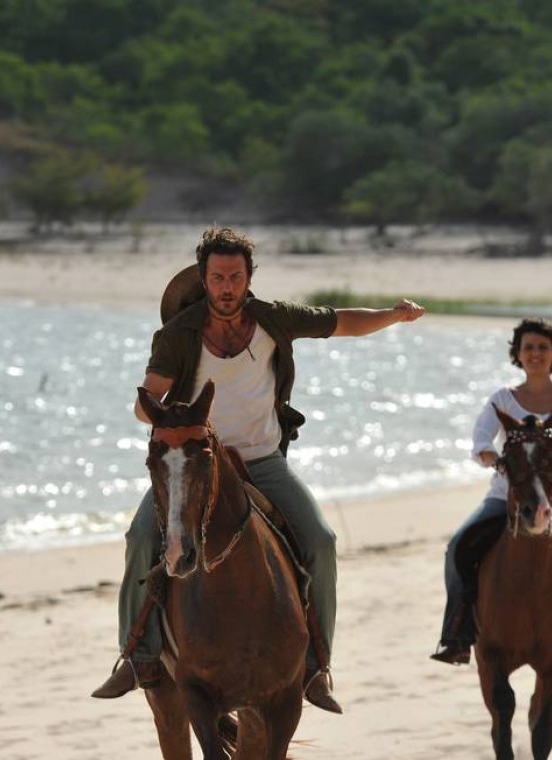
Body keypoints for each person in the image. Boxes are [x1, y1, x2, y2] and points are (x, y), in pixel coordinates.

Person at [92, 226, 425, 713]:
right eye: (217, 277)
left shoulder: (273, 319)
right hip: (199, 466)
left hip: (262, 462)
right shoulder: (177, 335)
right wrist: (153, 412)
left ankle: (316, 666)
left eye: (235, 276)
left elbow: (342, 322)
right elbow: (151, 392)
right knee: (141, 536)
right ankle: (136, 656)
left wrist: (393, 316)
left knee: (322, 541)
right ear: (203, 279)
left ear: (249, 278)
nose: (227, 286)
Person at [430, 318, 552, 668]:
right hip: (505, 495)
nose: (535, 354)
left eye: (543, 347)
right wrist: (498, 458)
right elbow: (480, 444)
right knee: (457, 545)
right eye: (529, 348)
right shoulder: (502, 399)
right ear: (518, 354)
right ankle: (456, 636)